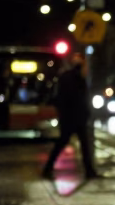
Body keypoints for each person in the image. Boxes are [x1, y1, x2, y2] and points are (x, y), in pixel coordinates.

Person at [42, 52, 100, 180]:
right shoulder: (73, 77)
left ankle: (89, 171)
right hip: (72, 117)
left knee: (80, 144)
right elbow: (73, 98)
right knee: (66, 143)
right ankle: (48, 169)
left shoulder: (73, 77)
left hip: (73, 117)